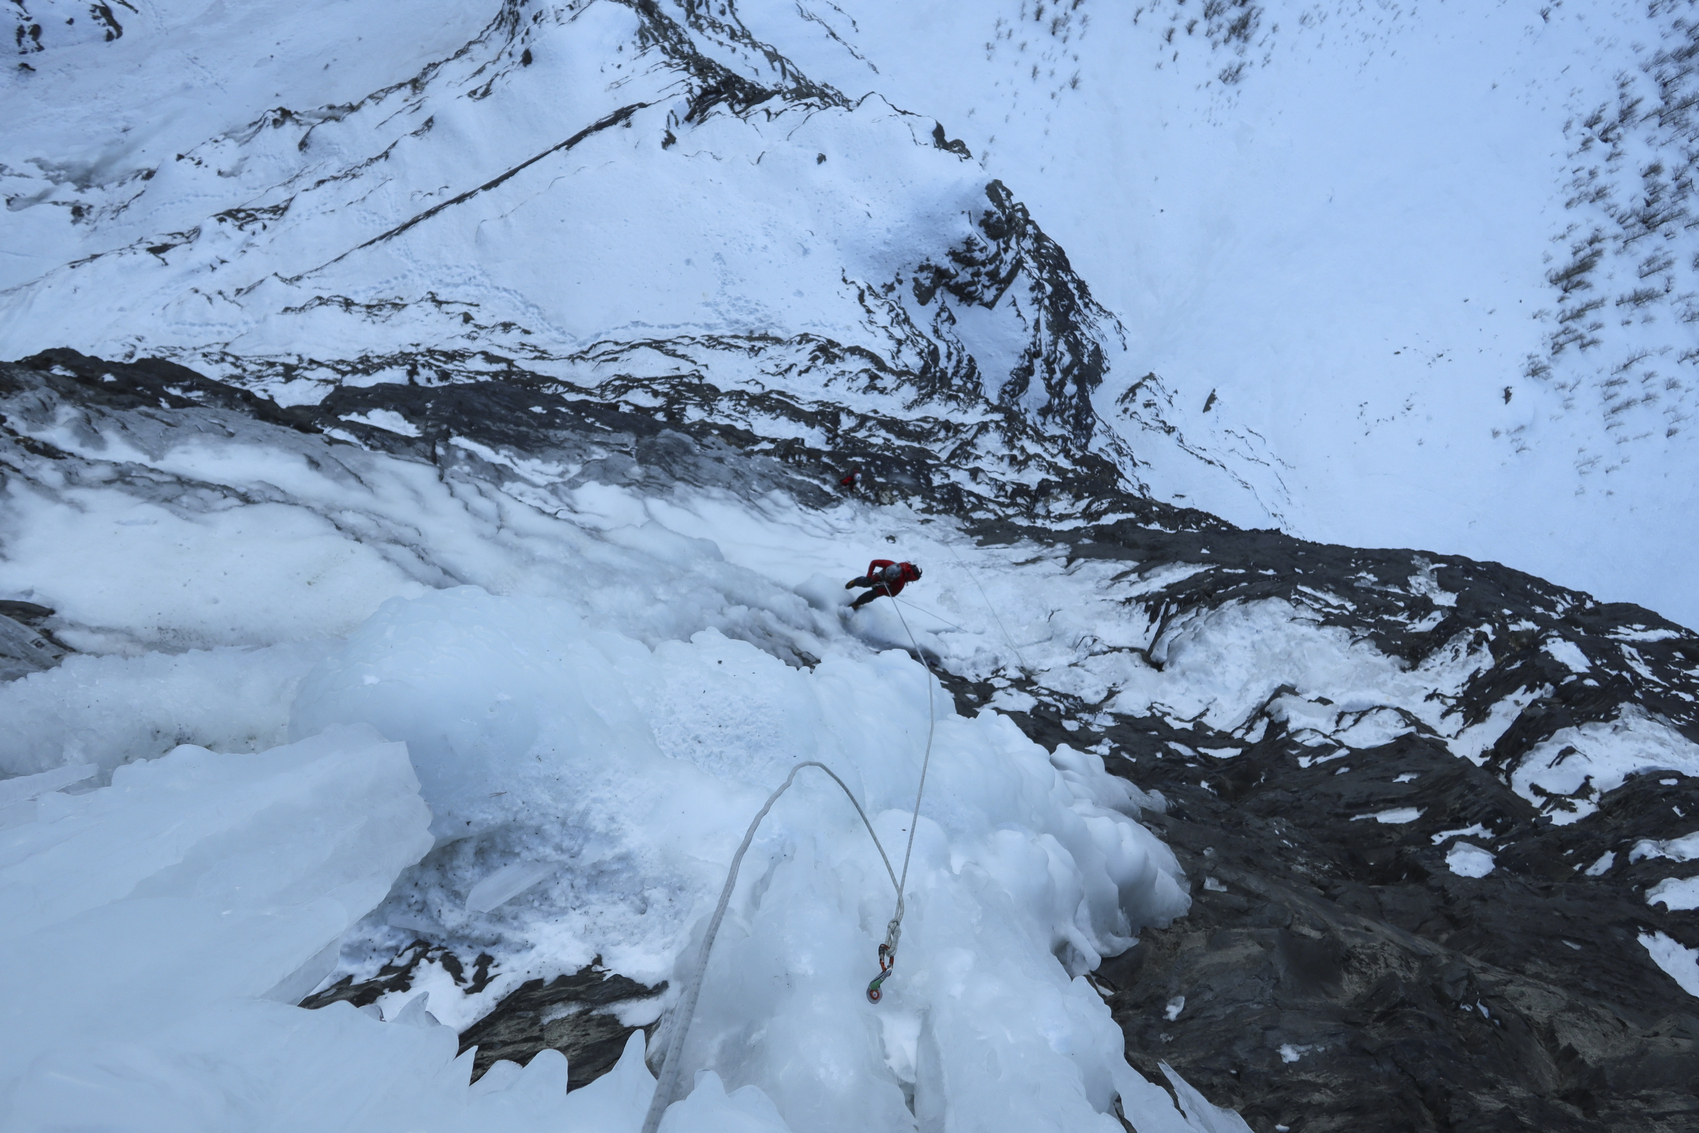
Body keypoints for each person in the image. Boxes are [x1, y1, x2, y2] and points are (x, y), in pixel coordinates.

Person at [844, 559, 922, 609]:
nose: (887, 576)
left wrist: (880, 589)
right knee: (868, 582)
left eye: (889, 576)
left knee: (872, 594)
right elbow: (874, 562)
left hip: (890, 585)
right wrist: (869, 576)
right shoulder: (889, 564)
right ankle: (855, 582)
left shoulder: (899, 583)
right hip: (882, 574)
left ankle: (858, 603)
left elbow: (892, 593)